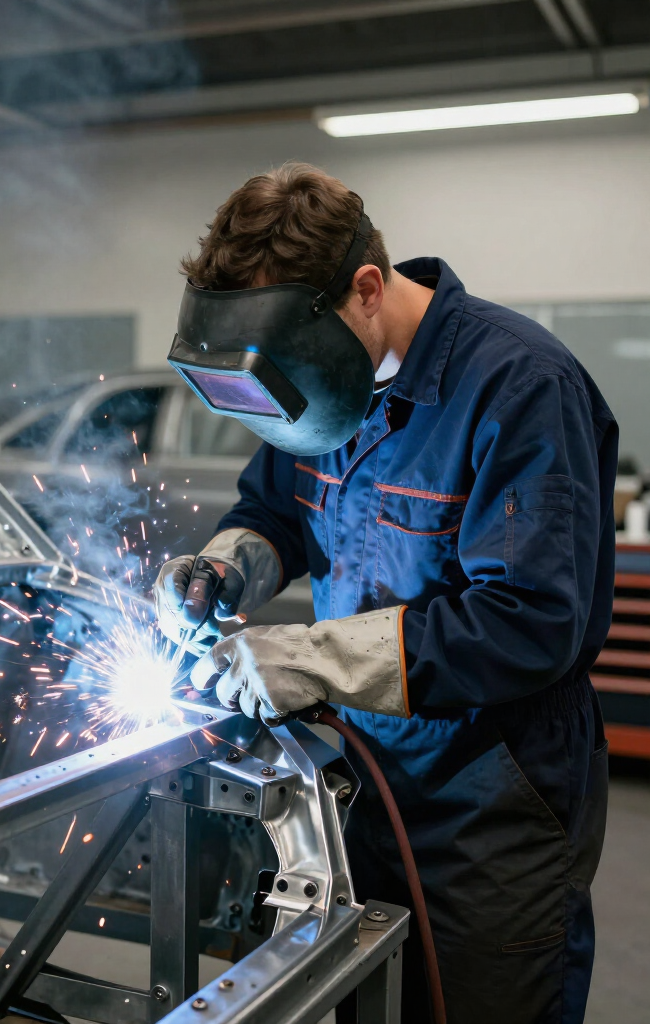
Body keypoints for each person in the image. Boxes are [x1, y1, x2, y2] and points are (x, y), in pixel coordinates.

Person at [155, 162, 614, 1024]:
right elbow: (274, 511)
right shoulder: (322, 381)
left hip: (489, 804)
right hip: (360, 784)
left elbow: (531, 620)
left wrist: (313, 656)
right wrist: (223, 569)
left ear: (365, 288)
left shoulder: (520, 387)